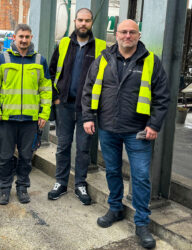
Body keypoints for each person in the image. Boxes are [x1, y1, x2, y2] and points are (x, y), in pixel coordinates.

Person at [82, 19, 170, 249]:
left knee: (140, 176)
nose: (127, 36)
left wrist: (154, 125)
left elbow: (162, 97)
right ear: (116, 34)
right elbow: (89, 88)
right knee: (111, 171)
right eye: (123, 32)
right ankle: (115, 208)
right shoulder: (104, 58)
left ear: (138, 35)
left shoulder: (151, 61)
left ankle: (141, 223)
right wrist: (89, 117)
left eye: (132, 32)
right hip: (108, 127)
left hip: (139, 130)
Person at [47, 8, 106, 205]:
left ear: (91, 23)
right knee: (62, 146)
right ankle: (61, 183)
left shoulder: (101, 48)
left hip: (86, 110)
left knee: (83, 149)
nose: (83, 24)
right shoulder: (64, 44)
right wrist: (56, 98)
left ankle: (80, 183)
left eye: (87, 21)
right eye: (80, 20)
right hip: (63, 105)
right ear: (74, 21)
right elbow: (51, 72)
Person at [0, 24, 52, 205]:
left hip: (30, 121)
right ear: (14, 38)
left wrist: (44, 114)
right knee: (5, 157)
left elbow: (46, 90)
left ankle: (22, 187)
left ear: (31, 38)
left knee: (26, 157)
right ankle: (4, 189)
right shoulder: (2, 58)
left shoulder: (40, 60)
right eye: (20, 37)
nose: (24, 40)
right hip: (7, 119)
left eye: (27, 37)